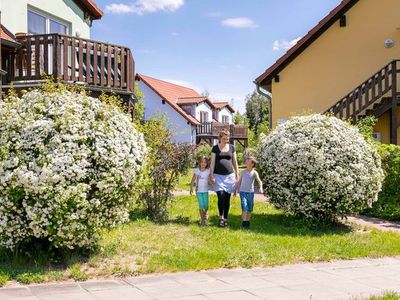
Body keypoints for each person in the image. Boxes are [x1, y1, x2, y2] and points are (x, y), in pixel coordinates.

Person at [209, 129, 239, 227]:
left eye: (227, 139)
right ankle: (220, 217)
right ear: (220, 138)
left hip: (230, 176)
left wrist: (237, 176)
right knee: (221, 196)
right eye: (224, 139)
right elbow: (212, 162)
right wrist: (211, 174)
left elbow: (235, 162)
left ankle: (225, 219)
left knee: (227, 198)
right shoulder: (215, 148)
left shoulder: (232, 147)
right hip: (218, 176)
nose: (226, 140)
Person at [235, 156, 263, 229]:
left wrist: (261, 188)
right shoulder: (243, 172)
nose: (246, 161)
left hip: (250, 193)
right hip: (242, 192)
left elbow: (259, 181)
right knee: (244, 207)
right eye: (246, 160)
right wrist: (235, 190)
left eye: (248, 161)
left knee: (250, 208)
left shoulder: (254, 173)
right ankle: (244, 222)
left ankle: (247, 220)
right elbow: (238, 181)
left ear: (252, 164)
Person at [190, 156, 210, 227]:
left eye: (205, 162)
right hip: (198, 191)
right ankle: (202, 221)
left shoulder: (208, 171)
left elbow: (210, 180)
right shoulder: (196, 171)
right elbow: (193, 180)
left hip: (205, 191)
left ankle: (206, 213)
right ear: (199, 163)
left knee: (206, 205)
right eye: (202, 162)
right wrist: (191, 188)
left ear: (207, 163)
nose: (203, 164)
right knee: (201, 205)